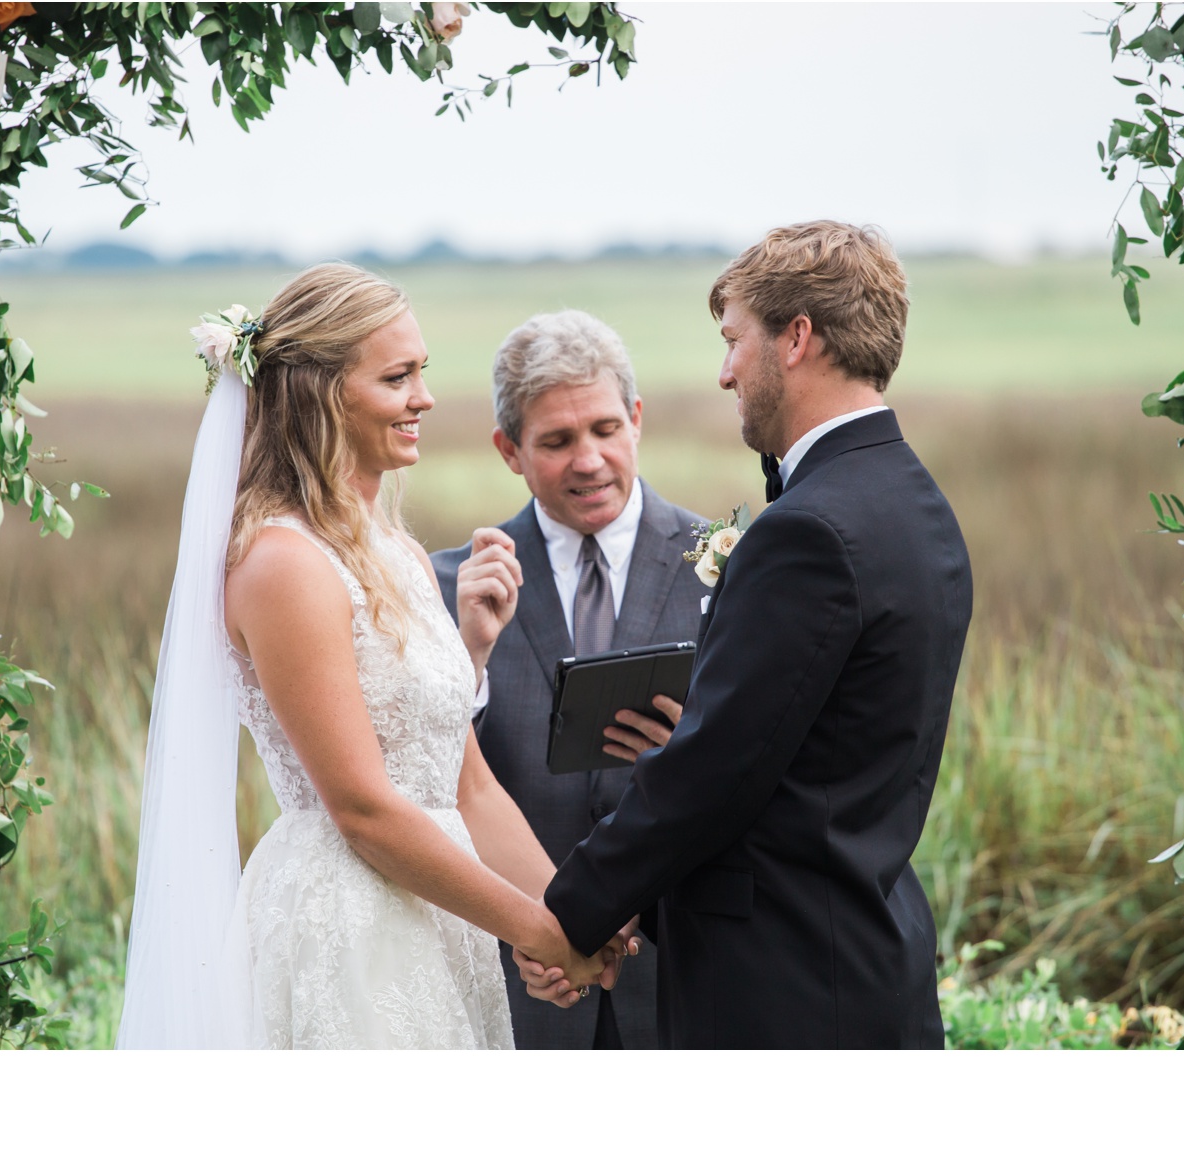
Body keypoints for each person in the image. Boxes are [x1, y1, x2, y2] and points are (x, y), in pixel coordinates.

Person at [118, 263, 625, 1049]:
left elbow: (469, 788)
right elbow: (362, 810)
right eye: (397, 377)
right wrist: (533, 930)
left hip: (437, 920)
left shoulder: (401, 554)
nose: (423, 396)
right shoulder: (283, 563)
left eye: (422, 371)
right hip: (349, 930)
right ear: (324, 394)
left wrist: (570, 914)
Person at [521, 221, 974, 1048]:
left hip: (788, 992)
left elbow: (710, 775)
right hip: (870, 953)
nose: (724, 370)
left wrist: (568, 917)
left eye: (733, 341)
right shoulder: (917, 504)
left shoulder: (809, 532)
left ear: (796, 338)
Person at [428, 310, 707, 1049]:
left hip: (685, 983)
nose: (588, 460)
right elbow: (425, 782)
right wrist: (466, 657)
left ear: (637, 420)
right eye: (555, 441)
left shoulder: (732, 565)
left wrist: (702, 748)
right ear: (508, 450)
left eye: (606, 430)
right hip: (514, 989)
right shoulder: (447, 586)